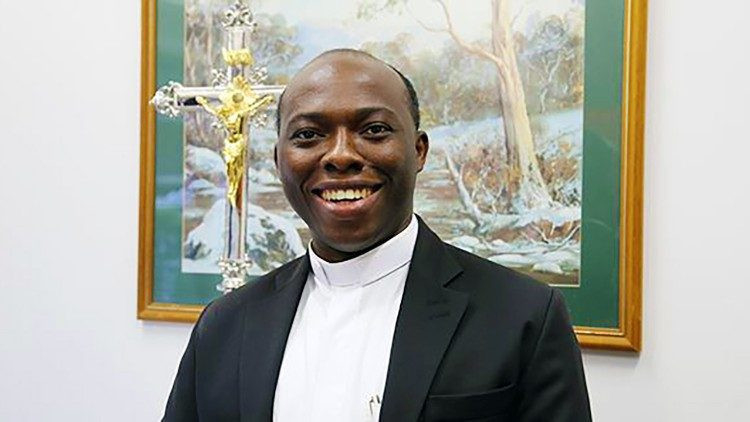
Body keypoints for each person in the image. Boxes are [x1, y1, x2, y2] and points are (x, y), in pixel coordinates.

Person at [163, 49, 591, 422]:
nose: (341, 156)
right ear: (279, 160)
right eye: (308, 135)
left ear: (419, 151)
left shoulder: (523, 316)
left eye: (373, 131)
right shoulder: (225, 324)